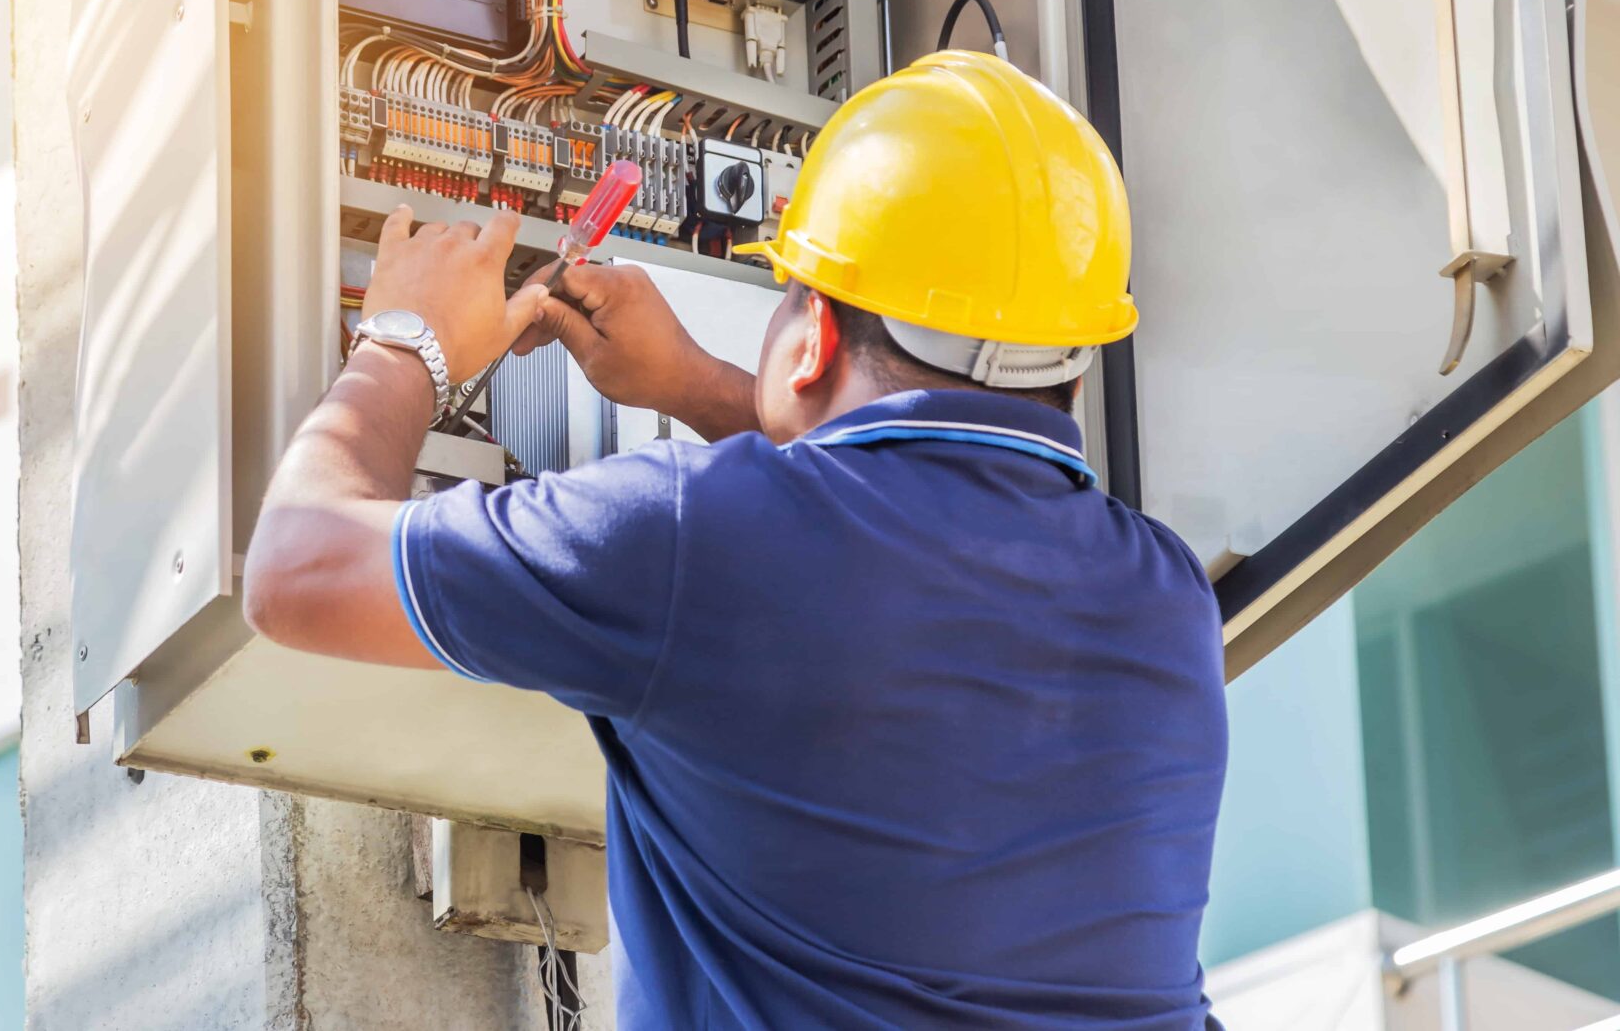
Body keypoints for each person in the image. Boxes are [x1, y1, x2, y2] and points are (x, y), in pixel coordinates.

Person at [243, 51, 1228, 1029]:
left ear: (814, 336)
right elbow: (868, 546)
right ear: (1072, 371)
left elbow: (297, 566)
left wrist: (406, 339)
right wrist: (693, 383)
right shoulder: (1169, 604)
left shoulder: (692, 537)